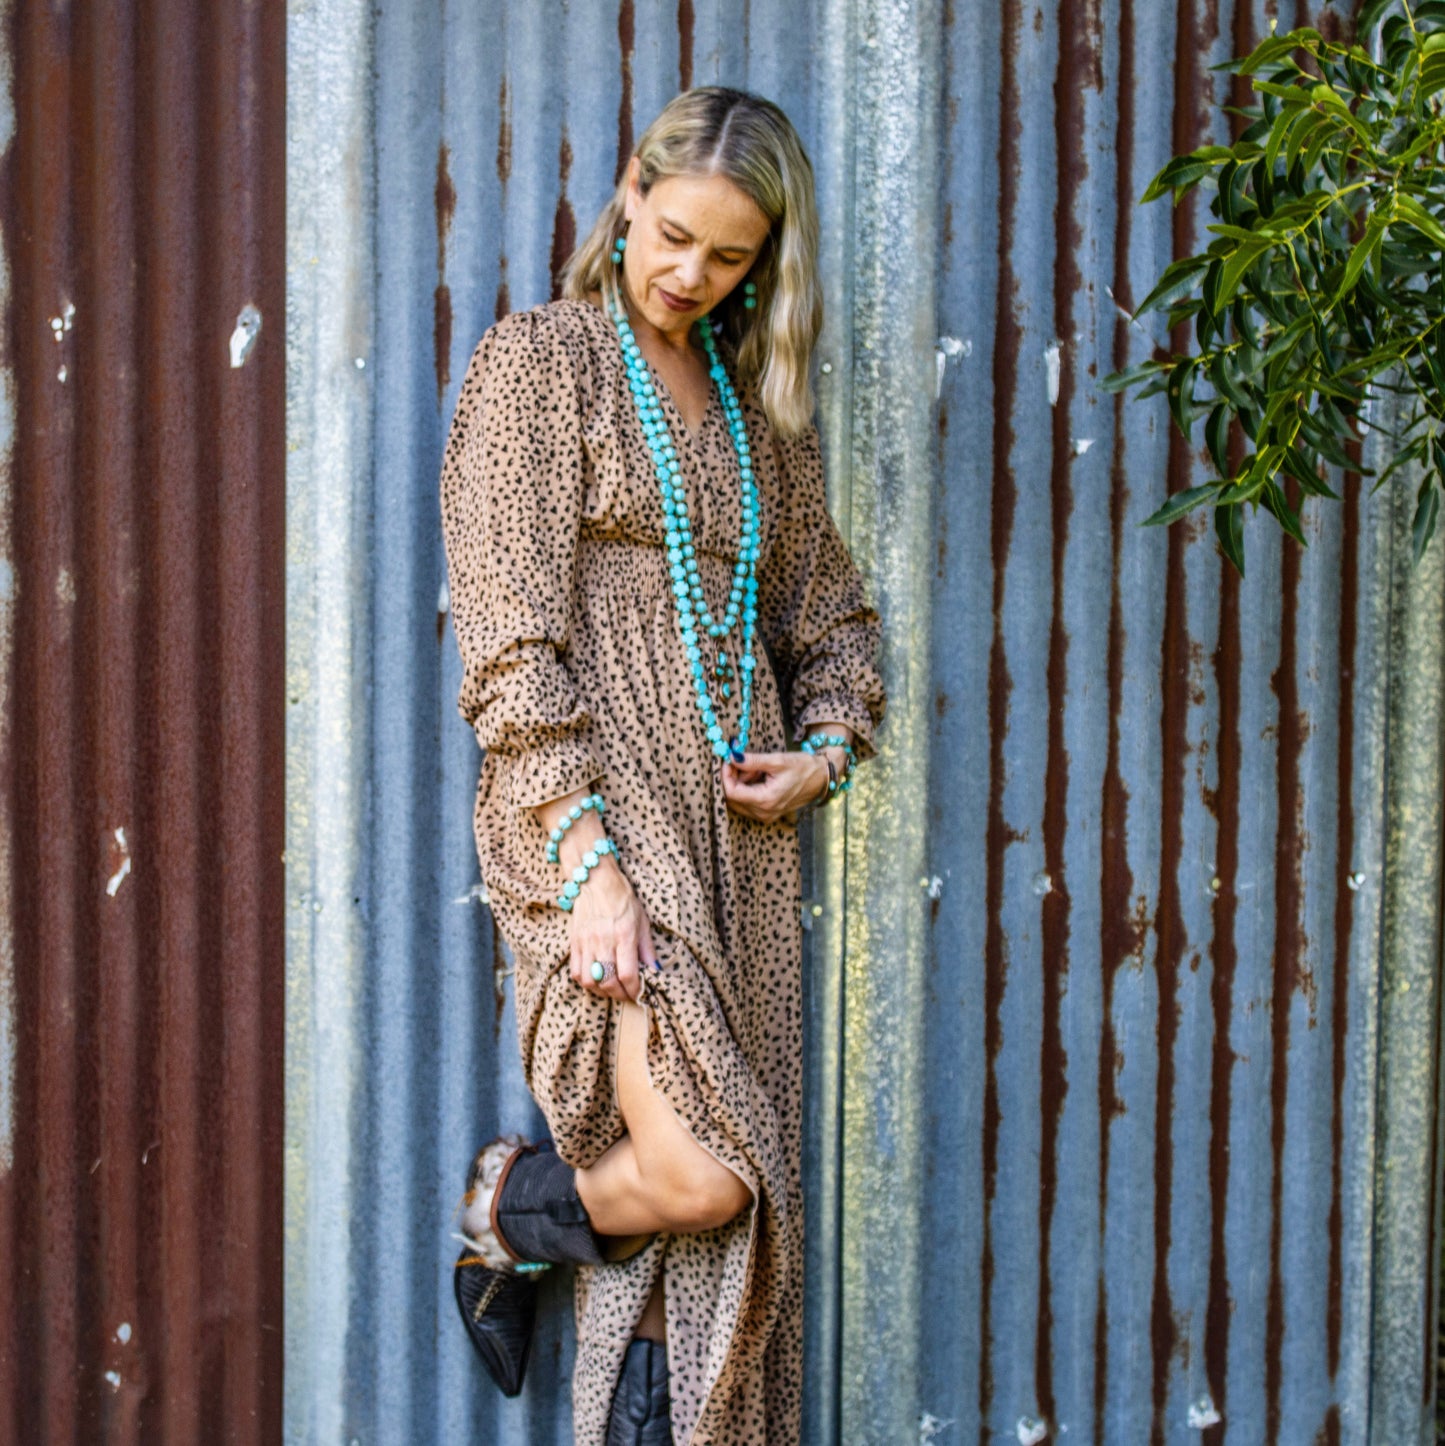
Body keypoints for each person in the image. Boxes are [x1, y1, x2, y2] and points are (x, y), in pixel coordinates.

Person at [439, 85, 885, 1445]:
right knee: (700, 1181)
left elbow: (833, 623)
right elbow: (507, 637)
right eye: (674, 233)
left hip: (737, 850)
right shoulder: (538, 364)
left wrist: (822, 751)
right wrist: (588, 865)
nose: (690, 274)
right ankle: (503, 1206)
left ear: (765, 262)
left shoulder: (759, 421)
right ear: (629, 195)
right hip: (599, 820)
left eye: (730, 256)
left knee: (697, 1253)